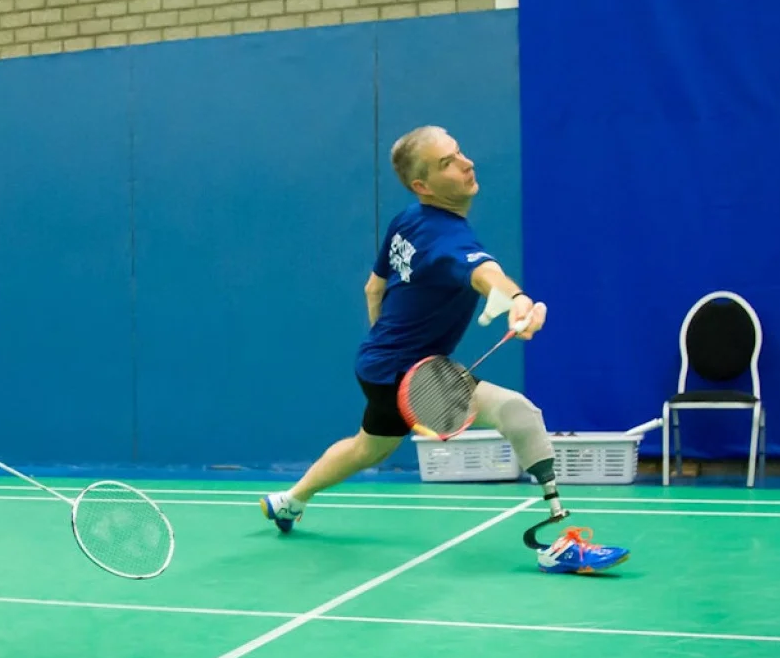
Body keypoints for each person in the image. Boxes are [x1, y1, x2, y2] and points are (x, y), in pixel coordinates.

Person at [259, 126, 629, 574]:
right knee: (518, 412)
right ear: (423, 185)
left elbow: (373, 288)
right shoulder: (447, 238)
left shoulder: (407, 220)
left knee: (367, 449)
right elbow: (485, 275)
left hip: (379, 363)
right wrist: (516, 300)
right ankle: (555, 537)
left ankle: (289, 501)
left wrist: (390, 347)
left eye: (459, 152)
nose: (466, 163)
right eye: (447, 163)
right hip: (404, 371)